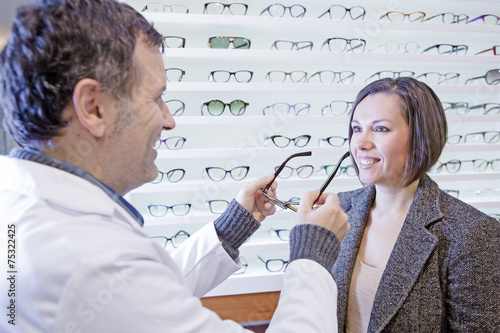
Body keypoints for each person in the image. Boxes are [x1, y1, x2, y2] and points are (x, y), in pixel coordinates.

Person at [0, 0, 350, 332]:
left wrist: (232, 228)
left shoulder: (25, 208)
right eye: (156, 97)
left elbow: (142, 301)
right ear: (93, 108)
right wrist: (312, 255)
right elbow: (125, 291)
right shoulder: (89, 261)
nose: (169, 120)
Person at [332, 77, 500, 332]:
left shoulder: (471, 234)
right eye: (356, 129)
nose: (361, 143)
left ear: (421, 136)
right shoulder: (338, 209)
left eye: (380, 129)